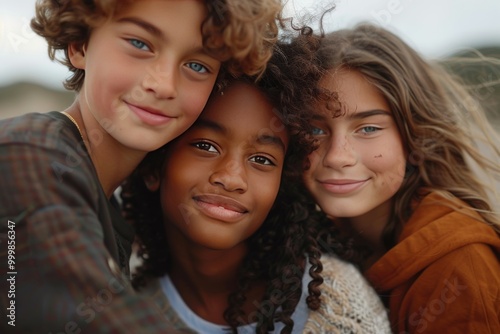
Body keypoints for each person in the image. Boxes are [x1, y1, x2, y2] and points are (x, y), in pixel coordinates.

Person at [0, 0, 284, 332]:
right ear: (79, 45)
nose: (164, 85)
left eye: (197, 65)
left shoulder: (105, 203)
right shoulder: (27, 154)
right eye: (139, 44)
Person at [120, 67, 391, 332]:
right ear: (155, 166)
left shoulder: (338, 306)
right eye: (206, 146)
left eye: (261, 159)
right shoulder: (123, 297)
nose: (232, 179)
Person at [294, 23, 500, 333]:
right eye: (314, 130)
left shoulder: (458, 268)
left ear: (414, 137)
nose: (337, 156)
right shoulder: (307, 238)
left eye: (368, 129)